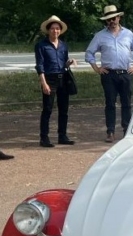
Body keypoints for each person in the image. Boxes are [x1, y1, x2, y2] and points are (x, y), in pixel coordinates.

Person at [85, 5, 133, 143]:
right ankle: (110, 131)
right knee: (110, 103)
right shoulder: (100, 36)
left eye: (113, 18)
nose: (111, 21)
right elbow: (89, 53)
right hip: (109, 74)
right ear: (106, 21)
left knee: (126, 103)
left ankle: (126, 131)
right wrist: (96, 68)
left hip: (125, 73)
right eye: (108, 19)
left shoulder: (128, 34)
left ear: (118, 18)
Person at [35, 15, 76, 148]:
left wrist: (69, 62)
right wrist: (44, 83)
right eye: (52, 29)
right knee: (47, 109)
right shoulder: (41, 45)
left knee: (64, 109)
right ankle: (44, 137)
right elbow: (40, 65)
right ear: (48, 30)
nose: (55, 31)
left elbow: (64, 63)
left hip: (63, 78)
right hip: (49, 78)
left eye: (57, 29)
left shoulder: (63, 45)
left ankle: (62, 135)